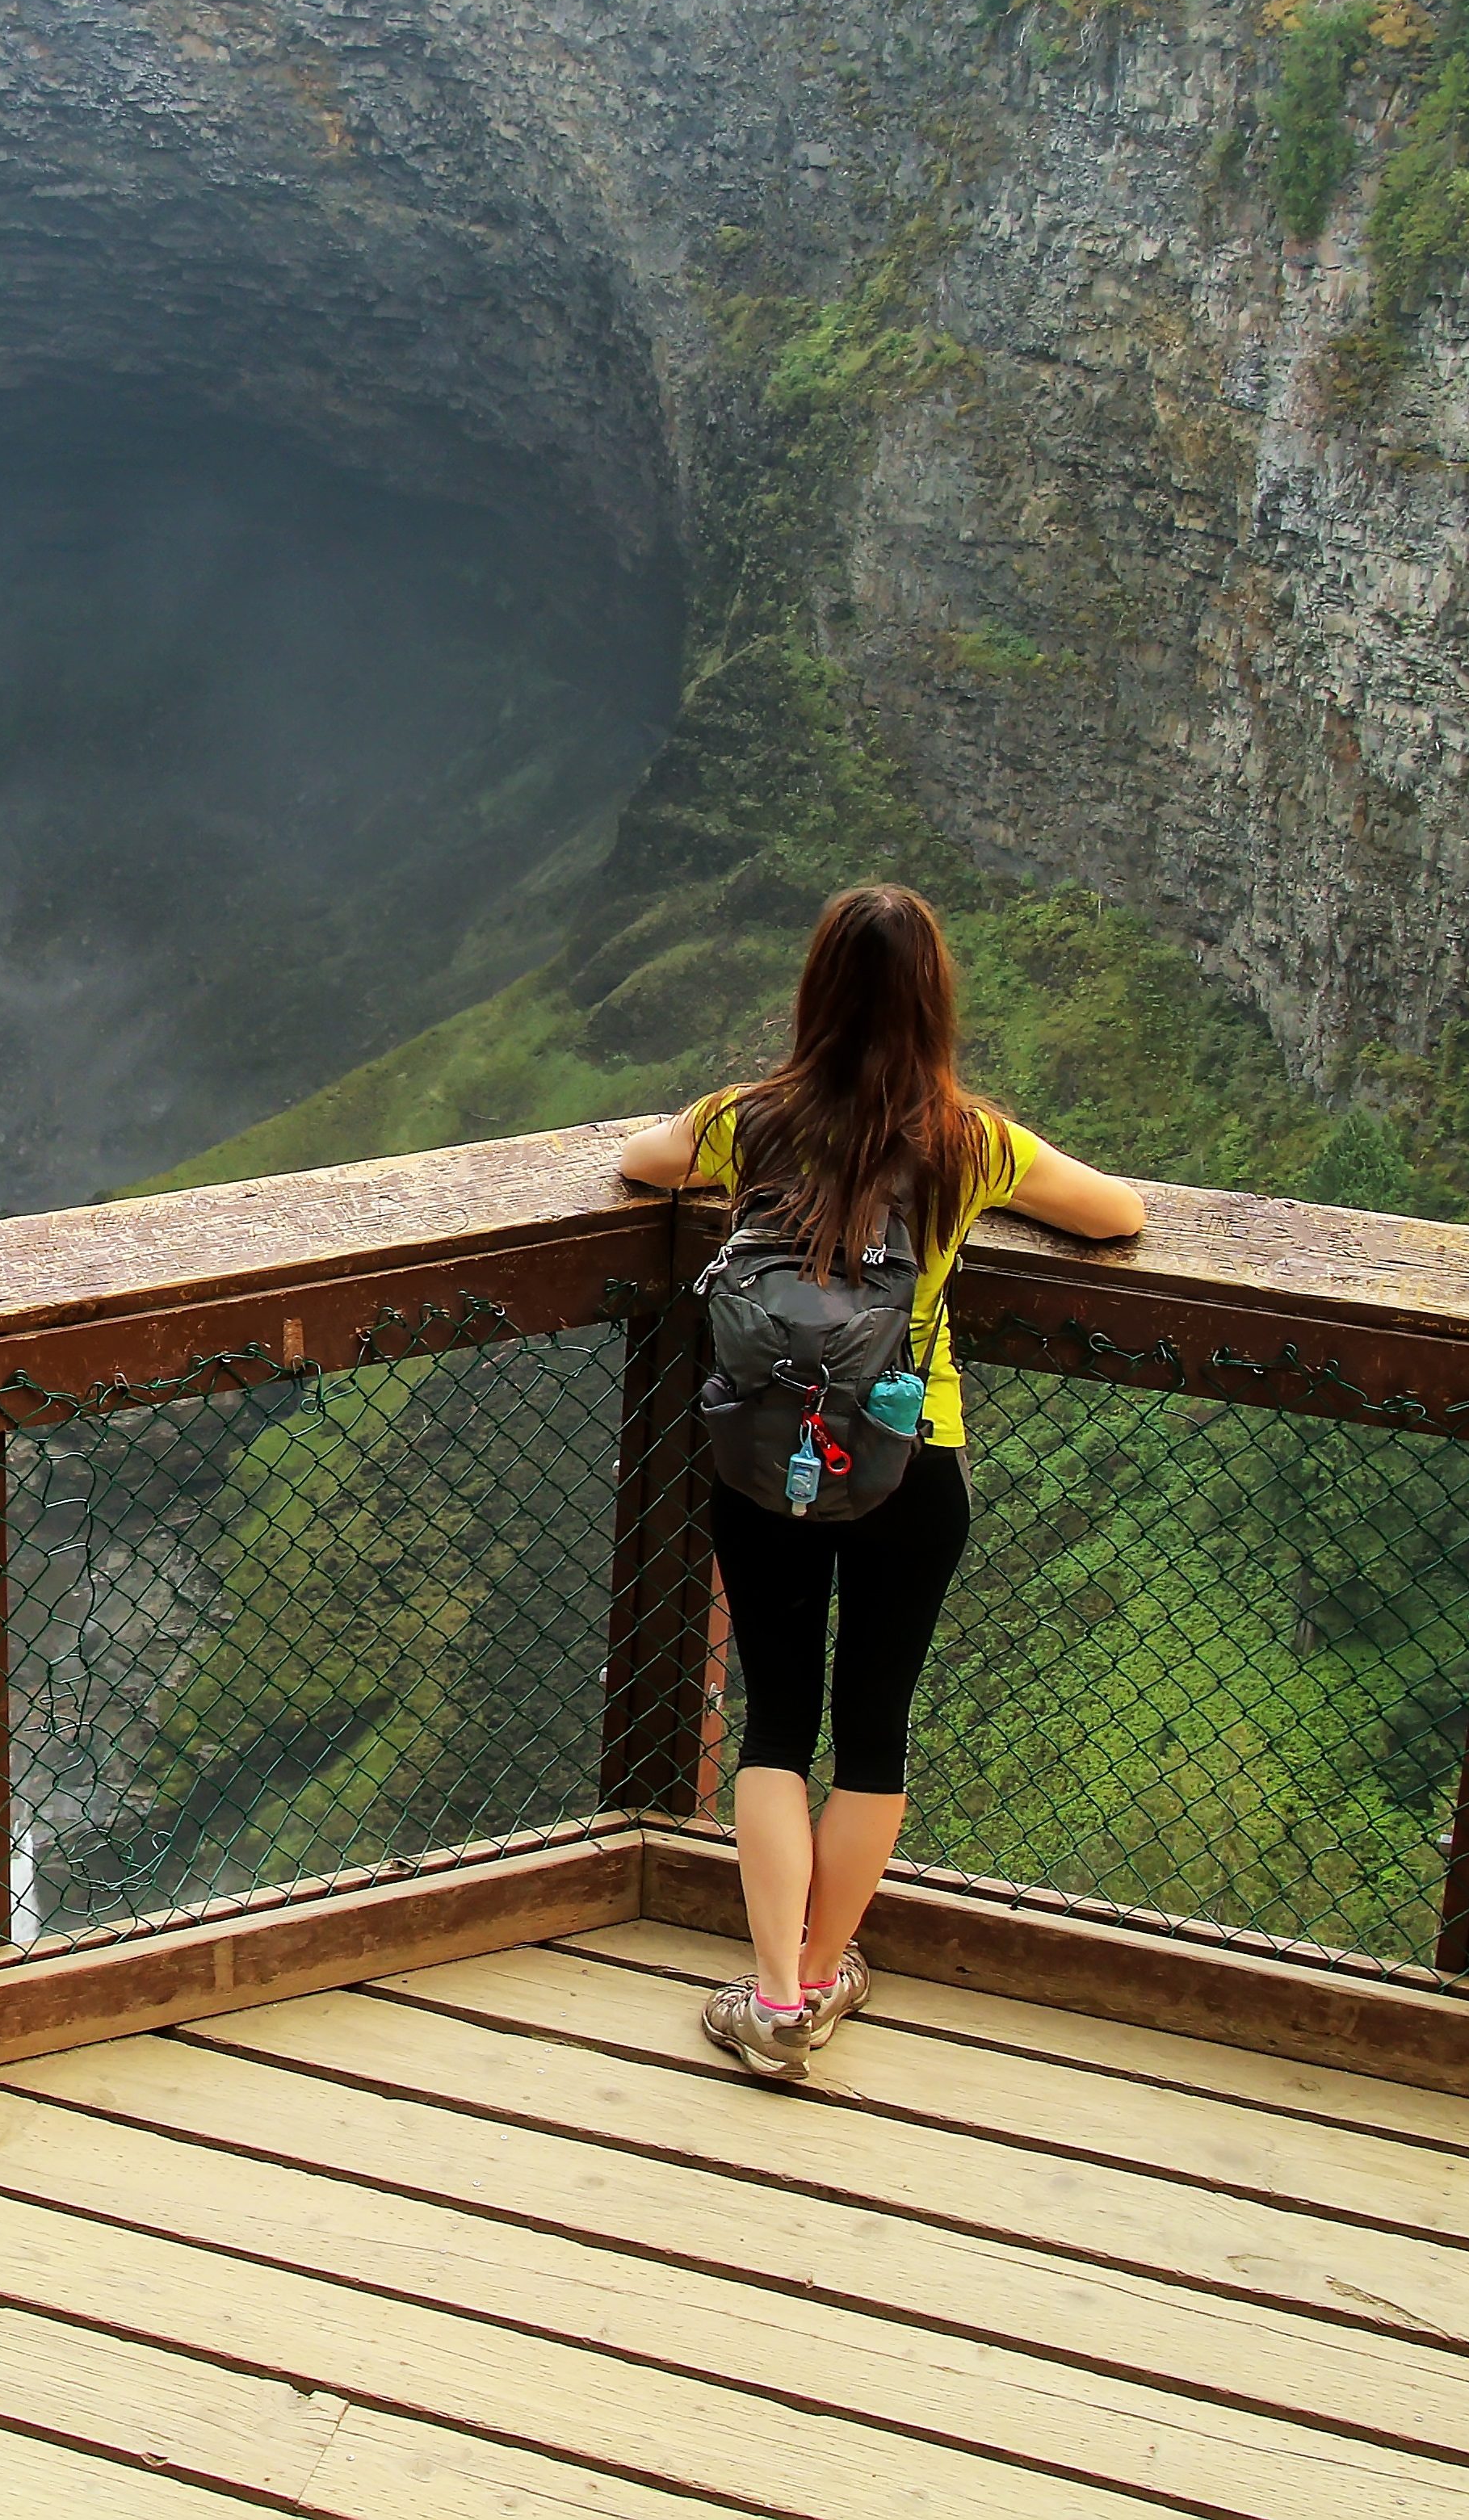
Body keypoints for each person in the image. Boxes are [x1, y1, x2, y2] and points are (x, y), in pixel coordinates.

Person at [612, 884, 1144, 2080]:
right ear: (933, 1005)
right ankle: (817, 1979)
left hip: (761, 1462)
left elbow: (635, 1162)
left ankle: (770, 2003)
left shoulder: (746, 1123)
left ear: (813, 993)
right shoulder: (969, 1144)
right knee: (872, 1739)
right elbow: (1116, 1217)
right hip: (913, 1463)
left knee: (772, 1727)